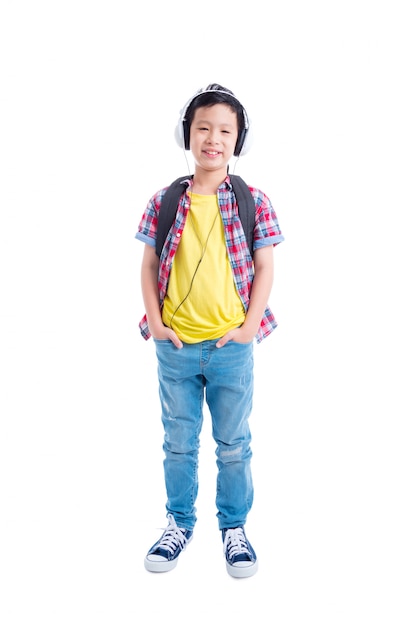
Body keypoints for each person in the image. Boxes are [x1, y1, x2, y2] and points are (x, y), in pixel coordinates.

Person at [135, 84, 284, 578]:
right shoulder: (164, 200)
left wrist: (247, 330)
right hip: (174, 347)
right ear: (187, 134)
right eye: (203, 128)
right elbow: (150, 262)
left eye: (225, 131)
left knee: (233, 444)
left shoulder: (253, 200)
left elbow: (264, 267)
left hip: (230, 349)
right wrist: (156, 323)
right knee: (178, 443)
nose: (213, 139)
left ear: (238, 141)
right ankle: (178, 523)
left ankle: (234, 528)